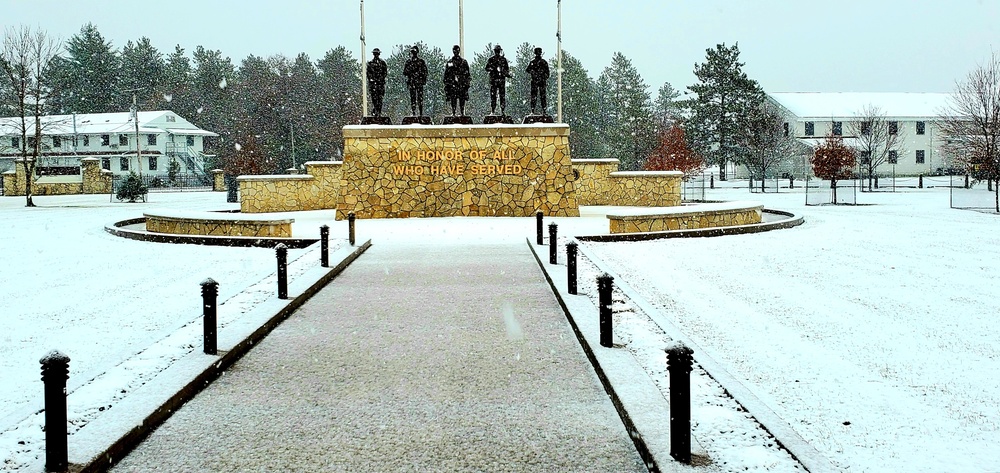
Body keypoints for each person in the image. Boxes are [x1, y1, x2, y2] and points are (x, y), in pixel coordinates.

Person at [443, 45, 471, 116]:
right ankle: (453, 112)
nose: (456, 52)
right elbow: (446, 74)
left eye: (457, 50)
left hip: (461, 85)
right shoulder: (450, 62)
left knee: (462, 100)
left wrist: (466, 83)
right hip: (453, 85)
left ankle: (462, 113)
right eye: (454, 50)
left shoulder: (463, 62)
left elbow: (467, 74)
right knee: (453, 100)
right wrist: (447, 83)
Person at [485, 44, 510, 116]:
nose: (497, 52)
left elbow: (506, 69)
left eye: (498, 51)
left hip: (501, 80)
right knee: (493, 96)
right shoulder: (491, 59)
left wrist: (504, 73)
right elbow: (487, 68)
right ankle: (493, 110)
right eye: (496, 51)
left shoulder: (503, 60)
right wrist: (493, 69)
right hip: (494, 80)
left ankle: (502, 111)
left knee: (502, 96)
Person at [402, 45, 428, 116]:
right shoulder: (409, 62)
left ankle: (420, 113)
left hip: (419, 83)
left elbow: (425, 72)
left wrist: (421, 78)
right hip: (412, 82)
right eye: (412, 52)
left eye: (414, 52)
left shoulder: (421, 62)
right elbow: (405, 72)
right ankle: (414, 112)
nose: (413, 54)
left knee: (420, 98)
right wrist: (411, 72)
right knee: (413, 99)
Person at [526, 47, 550, 115]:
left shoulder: (541, 62)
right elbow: (528, 70)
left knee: (540, 96)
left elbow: (547, 73)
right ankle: (534, 110)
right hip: (536, 81)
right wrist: (534, 73)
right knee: (537, 96)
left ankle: (541, 111)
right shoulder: (534, 62)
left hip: (540, 81)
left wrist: (542, 77)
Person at [366, 48, 387, 117]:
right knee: (374, 99)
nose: (376, 55)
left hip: (380, 84)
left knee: (380, 99)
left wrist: (380, 79)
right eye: (375, 54)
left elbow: (385, 73)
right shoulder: (370, 63)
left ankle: (378, 112)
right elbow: (368, 74)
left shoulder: (382, 63)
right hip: (373, 85)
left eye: (377, 54)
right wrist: (372, 80)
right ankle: (375, 110)